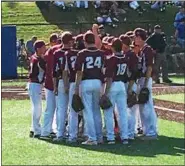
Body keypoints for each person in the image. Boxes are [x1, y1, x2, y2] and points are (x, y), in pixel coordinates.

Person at [75, 31, 104, 145]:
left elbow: (79, 71)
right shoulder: (101, 53)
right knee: (96, 110)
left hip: (86, 82)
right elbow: (103, 70)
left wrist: (77, 87)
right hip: (98, 81)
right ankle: (99, 136)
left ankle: (92, 138)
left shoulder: (82, 53)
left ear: (85, 41)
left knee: (88, 111)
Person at [103, 38, 131, 144]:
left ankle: (110, 137)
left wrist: (106, 93)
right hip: (122, 85)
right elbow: (128, 74)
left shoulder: (112, 59)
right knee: (123, 112)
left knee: (108, 112)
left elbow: (109, 77)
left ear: (114, 47)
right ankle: (125, 136)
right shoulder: (125, 58)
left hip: (113, 85)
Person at [134, 28, 158, 140]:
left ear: (139, 37)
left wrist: (146, 82)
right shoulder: (143, 49)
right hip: (142, 79)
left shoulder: (147, 49)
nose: (134, 39)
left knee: (147, 105)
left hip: (145, 79)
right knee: (142, 106)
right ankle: (146, 130)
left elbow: (149, 67)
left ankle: (151, 132)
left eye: (136, 37)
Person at [52, 32, 74, 142]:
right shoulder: (74, 53)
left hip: (61, 81)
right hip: (73, 81)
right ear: (70, 41)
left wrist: (55, 86)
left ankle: (60, 133)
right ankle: (71, 134)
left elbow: (54, 71)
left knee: (61, 109)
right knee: (72, 109)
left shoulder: (57, 53)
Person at [40, 33, 62, 139]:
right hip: (59, 82)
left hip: (50, 82)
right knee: (60, 109)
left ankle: (46, 131)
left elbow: (45, 60)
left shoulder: (51, 50)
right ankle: (58, 131)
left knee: (51, 108)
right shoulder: (58, 50)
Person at [66, 34, 85, 143]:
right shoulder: (85, 53)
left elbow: (66, 71)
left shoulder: (68, 54)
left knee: (73, 110)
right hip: (85, 82)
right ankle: (87, 133)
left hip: (74, 82)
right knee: (88, 109)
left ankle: (72, 135)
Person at [119, 35, 139, 140]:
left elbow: (134, 73)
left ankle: (131, 132)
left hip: (130, 83)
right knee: (126, 110)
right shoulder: (125, 54)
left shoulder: (131, 55)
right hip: (125, 83)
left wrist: (130, 88)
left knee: (130, 110)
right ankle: (129, 131)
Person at [28, 40, 47, 138]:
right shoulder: (39, 60)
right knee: (38, 108)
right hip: (35, 84)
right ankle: (36, 129)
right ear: (38, 49)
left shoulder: (34, 57)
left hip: (33, 84)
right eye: (43, 47)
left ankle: (33, 128)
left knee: (36, 107)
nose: (45, 49)